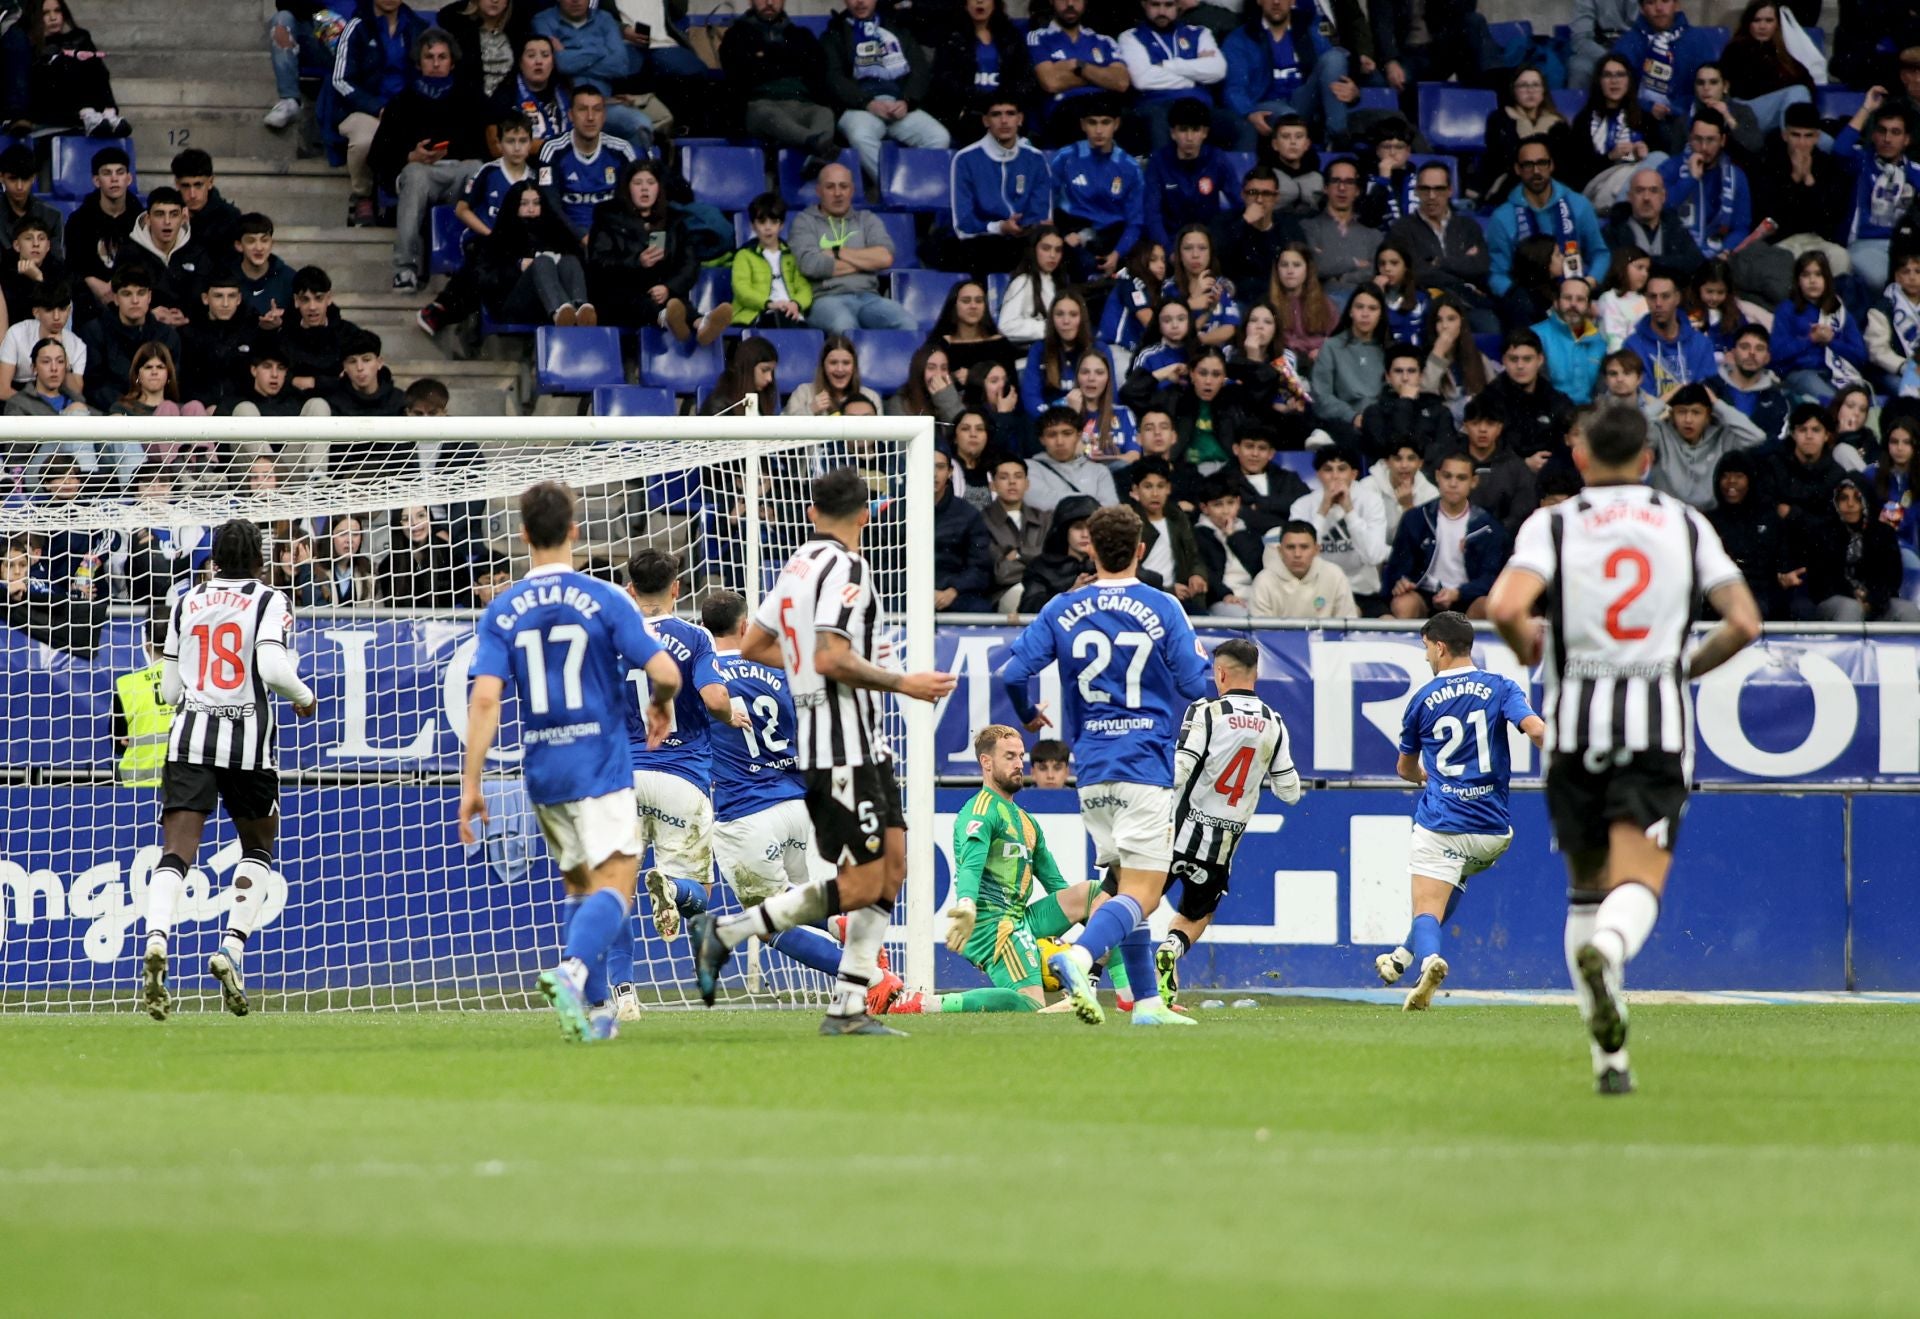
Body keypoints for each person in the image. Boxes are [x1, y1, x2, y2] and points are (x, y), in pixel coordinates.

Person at [1487, 402, 1762, 1095]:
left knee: (1585, 887)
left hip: (1575, 724)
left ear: (1579, 459)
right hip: (1654, 724)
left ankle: (1609, 1060)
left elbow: (1503, 607)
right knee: (1638, 878)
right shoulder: (1684, 523)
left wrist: (1535, 650)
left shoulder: (1552, 523)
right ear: (1649, 458)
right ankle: (1610, 953)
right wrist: (1684, 666)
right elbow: (1744, 621)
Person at [692, 468, 957, 1036]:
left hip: (859, 744)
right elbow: (833, 656)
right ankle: (729, 933)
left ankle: (848, 1005)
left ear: (813, 514)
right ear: (867, 515)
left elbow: (758, 644)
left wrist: (805, 675)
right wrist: (901, 681)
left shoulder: (795, 568)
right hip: (840, 747)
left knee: (893, 867)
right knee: (865, 882)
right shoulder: (847, 568)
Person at [459, 483, 678, 1042]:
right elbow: (667, 671)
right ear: (575, 531)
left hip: (544, 772)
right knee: (617, 886)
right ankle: (573, 973)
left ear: (525, 535)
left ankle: (591, 1015)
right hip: (600, 766)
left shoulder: (503, 608)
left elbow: (485, 698)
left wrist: (471, 784)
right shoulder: (607, 599)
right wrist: (659, 706)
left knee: (580, 888)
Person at [999, 503, 1212, 1027]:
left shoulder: (1061, 607)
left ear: (1089, 547)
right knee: (1144, 892)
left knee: (1121, 882)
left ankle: (1145, 1005)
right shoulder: (1162, 605)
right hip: (1145, 764)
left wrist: (1029, 717)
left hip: (1092, 768)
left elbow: (1012, 673)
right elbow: (1194, 686)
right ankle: (1078, 954)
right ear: (1141, 549)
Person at [137, 521, 319, 1021]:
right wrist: (303, 696)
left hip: (190, 736)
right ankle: (231, 948)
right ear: (260, 560)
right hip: (248, 743)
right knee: (257, 846)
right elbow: (273, 668)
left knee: (176, 851)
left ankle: (156, 938)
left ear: (213, 559)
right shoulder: (270, 599)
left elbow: (171, 691)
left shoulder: (185, 601)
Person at [1373, 611, 1546, 1008]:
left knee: (1427, 907)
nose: (1425, 657)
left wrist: (1427, 777)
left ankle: (1430, 961)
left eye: (1425, 648)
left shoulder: (1421, 700)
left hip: (1443, 824)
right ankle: (1401, 958)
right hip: (1492, 833)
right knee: (1451, 876)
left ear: (1440, 646)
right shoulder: (1501, 685)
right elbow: (1536, 730)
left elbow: (1404, 769)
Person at [891, 725, 1112, 1015]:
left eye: (1021, 756)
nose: (1019, 764)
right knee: (1031, 1005)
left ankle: (1110, 993)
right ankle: (929, 1003)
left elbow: (1058, 886)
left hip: (1020, 918)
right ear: (986, 763)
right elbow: (971, 866)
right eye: (1010, 756)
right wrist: (966, 904)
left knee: (1102, 896)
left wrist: (1084, 929)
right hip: (990, 923)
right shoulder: (981, 810)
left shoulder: (1026, 821)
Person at [696, 590, 854, 986]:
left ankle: (864, 976)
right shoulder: (781, 669)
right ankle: (840, 925)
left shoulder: (703, 674)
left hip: (746, 811)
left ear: (703, 628)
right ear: (745, 625)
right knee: (797, 899)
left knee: (768, 922)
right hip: (800, 807)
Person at [1151, 637, 1301, 1004]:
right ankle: (1172, 945)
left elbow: (1180, 770)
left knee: (1128, 901)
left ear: (1220, 673)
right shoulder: (1273, 722)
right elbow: (1290, 792)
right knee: (1197, 913)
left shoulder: (1206, 711)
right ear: (1256, 673)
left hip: (1172, 835)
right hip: (1220, 849)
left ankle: (1089, 975)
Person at [368, 28, 492, 292]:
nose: (436, 63)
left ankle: (476, 260)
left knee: (479, 169)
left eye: (442, 57)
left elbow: (485, 148)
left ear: (452, 61)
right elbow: (377, 155)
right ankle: (405, 269)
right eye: (429, 57)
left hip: (457, 174)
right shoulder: (402, 102)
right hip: (418, 175)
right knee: (414, 173)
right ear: (418, 62)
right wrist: (409, 155)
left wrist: (454, 151)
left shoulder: (471, 98)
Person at [820, 0, 949, 187]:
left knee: (939, 137)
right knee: (860, 136)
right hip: (859, 108)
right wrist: (868, 103)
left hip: (898, 106)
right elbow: (834, 78)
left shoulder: (896, 29)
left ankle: (916, 189)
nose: (860, 2)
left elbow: (919, 69)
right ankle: (895, 189)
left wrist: (907, 101)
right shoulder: (834, 34)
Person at [328, 0, 432, 227]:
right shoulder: (356, 26)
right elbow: (341, 79)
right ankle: (362, 194)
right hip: (363, 108)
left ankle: (398, 198)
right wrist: (377, 108)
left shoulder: (418, 27)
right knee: (367, 141)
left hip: (405, 109)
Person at [789, 164, 915, 334]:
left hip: (869, 298)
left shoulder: (867, 219)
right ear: (819, 191)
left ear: (852, 190)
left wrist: (837, 252)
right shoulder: (804, 221)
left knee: (907, 323)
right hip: (825, 299)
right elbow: (811, 265)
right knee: (845, 325)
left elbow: (885, 257)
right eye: (830, 187)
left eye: (843, 186)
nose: (838, 193)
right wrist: (865, 262)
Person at [1386, 451, 1510, 619]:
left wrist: (1458, 593)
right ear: (1437, 476)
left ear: (1473, 481)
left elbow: (1492, 578)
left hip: (1468, 597)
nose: (1453, 483)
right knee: (1403, 603)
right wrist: (1402, 582)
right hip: (1425, 594)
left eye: (1461, 478)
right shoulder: (1415, 518)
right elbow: (1396, 567)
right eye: (1447, 476)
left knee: (1488, 605)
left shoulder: (1488, 527)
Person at [1222, 0, 1359, 150]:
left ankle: (1337, 138)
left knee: (1334, 57)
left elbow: (1331, 69)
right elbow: (1234, 89)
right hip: (1268, 105)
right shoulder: (1241, 38)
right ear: (1259, 1)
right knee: (1288, 117)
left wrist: (1353, 92)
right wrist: (1248, 113)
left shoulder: (1308, 29)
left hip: (1305, 101)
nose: (1276, 2)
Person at [1489, 141, 1611, 303]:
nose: (1536, 171)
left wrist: (1587, 284)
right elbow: (1497, 274)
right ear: (1517, 169)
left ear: (1551, 165)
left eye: (1542, 163)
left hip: (1576, 297)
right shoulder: (1502, 217)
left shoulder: (1579, 205)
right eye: (1528, 165)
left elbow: (1600, 254)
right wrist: (1521, 300)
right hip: (1527, 303)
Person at [946, 94, 1054, 275]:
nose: (1004, 121)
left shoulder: (1035, 158)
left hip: (1024, 241)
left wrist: (1025, 226)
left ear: (1020, 119)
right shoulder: (965, 159)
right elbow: (963, 224)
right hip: (984, 242)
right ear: (986, 121)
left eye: (1010, 114)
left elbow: (1042, 213)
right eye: (996, 114)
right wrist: (999, 227)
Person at [719, 0, 835, 162]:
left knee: (824, 113)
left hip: (800, 104)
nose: (769, 2)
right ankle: (816, 145)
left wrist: (765, 58)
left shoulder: (802, 35)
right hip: (760, 106)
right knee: (767, 114)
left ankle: (814, 152)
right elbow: (739, 74)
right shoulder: (735, 35)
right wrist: (789, 60)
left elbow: (818, 72)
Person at [532, 0, 655, 150]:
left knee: (641, 124)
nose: (576, 1)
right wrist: (601, 50)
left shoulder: (605, 19)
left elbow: (620, 66)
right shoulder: (543, 20)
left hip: (602, 107)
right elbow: (560, 64)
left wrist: (568, 55)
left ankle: (631, 171)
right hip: (563, 109)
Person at [1835, 91, 1920, 299]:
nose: (1887, 139)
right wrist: (1867, 108)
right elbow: (1840, 149)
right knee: (1882, 278)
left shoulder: (1916, 172)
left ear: (1907, 139)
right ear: (1873, 134)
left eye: (1895, 132)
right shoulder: (1861, 162)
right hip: (1865, 244)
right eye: (1882, 131)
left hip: (1906, 248)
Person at [1117, 0, 1232, 153]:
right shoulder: (1131, 37)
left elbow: (1218, 70)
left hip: (1199, 106)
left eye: (1168, 5)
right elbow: (1142, 79)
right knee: (1159, 124)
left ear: (1179, 6)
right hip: (1157, 106)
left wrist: (1166, 66)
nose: (1162, 12)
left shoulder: (1199, 33)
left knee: (1241, 128)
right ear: (1144, 5)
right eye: (1155, 5)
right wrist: (1195, 74)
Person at [1051, 96, 1145, 281]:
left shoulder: (1130, 167)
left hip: (1113, 237)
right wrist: (1061, 235)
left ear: (1116, 124)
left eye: (1105, 122)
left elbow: (1136, 222)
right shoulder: (1065, 158)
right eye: (1092, 123)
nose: (1099, 130)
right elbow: (1046, 206)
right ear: (1083, 125)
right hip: (1074, 232)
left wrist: (1117, 253)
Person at [1289, 443, 1389, 606]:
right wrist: (1322, 511)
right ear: (1318, 474)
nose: (1335, 476)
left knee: (1388, 623)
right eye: (1328, 470)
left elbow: (1374, 556)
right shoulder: (1302, 505)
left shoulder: (1371, 501)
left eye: (1342, 469)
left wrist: (1349, 511)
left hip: (1362, 592)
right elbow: (1301, 556)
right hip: (1317, 591)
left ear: (1354, 474)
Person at [538, 84, 640, 241]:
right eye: (583, 109)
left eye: (597, 110)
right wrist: (582, 237)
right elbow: (551, 206)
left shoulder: (622, 151)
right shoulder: (553, 150)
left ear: (604, 115)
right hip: (569, 239)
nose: (590, 117)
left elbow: (633, 202)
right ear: (571, 115)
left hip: (612, 240)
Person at [1026, 0, 1134, 147]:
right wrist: (1099, 75)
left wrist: (1079, 66)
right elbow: (1050, 82)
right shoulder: (1038, 37)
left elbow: (1121, 82)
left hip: (1105, 104)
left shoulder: (1103, 41)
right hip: (1065, 110)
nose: (1070, 4)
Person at [77, 266, 183, 414]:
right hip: (114, 414)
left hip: (160, 411)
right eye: (127, 294)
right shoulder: (95, 332)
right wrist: (130, 407)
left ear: (149, 297)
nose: (135, 301)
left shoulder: (167, 335)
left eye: (141, 293)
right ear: (115, 298)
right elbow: (94, 387)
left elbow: (172, 383)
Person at [1646, 380, 1767, 509]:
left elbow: (1757, 437)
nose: (1688, 420)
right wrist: (1663, 401)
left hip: (1710, 515)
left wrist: (1718, 404)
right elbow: (1631, 429)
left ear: (1708, 415)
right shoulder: (1659, 432)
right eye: (1681, 412)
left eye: (1696, 412)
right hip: (1667, 515)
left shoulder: (1722, 436)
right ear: (1671, 414)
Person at [1142, 96, 1241, 252]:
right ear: (1173, 133)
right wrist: (1168, 253)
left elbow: (1239, 200)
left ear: (1205, 132)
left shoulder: (1217, 159)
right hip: (1171, 242)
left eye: (1195, 130)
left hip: (1209, 242)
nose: (1189, 138)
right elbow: (1152, 213)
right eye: (1183, 130)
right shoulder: (1158, 162)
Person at [1569, 55, 1668, 210]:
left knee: (1658, 158)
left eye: (1620, 75)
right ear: (1599, 81)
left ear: (1629, 80)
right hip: (1600, 186)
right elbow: (1578, 172)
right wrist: (1610, 157)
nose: (1614, 81)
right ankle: (1623, 210)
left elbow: (1660, 157)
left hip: (1638, 181)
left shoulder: (1645, 118)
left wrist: (1642, 154)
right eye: (1608, 75)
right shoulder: (1584, 121)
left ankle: (1625, 208)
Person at [1389, 161, 1494, 307]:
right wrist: (1461, 276)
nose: (1432, 196)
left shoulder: (1469, 226)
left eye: (1439, 189)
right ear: (1416, 191)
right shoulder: (1401, 228)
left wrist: (1438, 262)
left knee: (1491, 324)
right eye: (1425, 189)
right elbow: (1414, 273)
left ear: (1450, 190)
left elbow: (1480, 266)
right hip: (1425, 300)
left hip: (1469, 301)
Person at [1769, 250, 1868, 402]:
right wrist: (1810, 339)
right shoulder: (1787, 309)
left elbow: (1861, 357)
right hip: (1802, 374)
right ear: (1798, 280)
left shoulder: (1839, 311)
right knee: (1836, 404)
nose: (1812, 280)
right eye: (1806, 275)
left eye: (1818, 274)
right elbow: (1776, 354)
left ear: (1827, 279)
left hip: (1838, 374)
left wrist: (1832, 340)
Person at [1655, 108, 1751, 264]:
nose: (1704, 147)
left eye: (1711, 140)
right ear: (1690, 138)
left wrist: (1726, 249)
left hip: (1718, 255)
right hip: (1677, 253)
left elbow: (1741, 227)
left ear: (1722, 140)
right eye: (1698, 139)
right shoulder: (1671, 167)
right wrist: (1689, 180)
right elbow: (1659, 207)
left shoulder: (1736, 176)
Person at [25, 0, 129, 136]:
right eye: (46, 13)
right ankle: (87, 114)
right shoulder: (28, 44)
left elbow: (100, 72)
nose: (53, 17)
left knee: (90, 59)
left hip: (86, 102)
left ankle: (108, 113)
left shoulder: (79, 37)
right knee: (68, 61)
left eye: (57, 11)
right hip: (51, 106)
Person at [1473, 67, 1572, 206]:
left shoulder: (1558, 124)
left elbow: (1563, 166)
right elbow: (1498, 161)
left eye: (1535, 85)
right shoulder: (1499, 119)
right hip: (1510, 184)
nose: (1530, 90)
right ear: (1514, 90)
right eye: (1524, 85)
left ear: (1543, 90)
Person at [1611, 0, 1716, 124]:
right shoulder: (1627, 44)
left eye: (1665, 1)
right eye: (1651, 2)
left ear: (1676, 4)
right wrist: (1646, 106)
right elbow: (1617, 91)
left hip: (1689, 121)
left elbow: (1711, 87)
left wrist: (1677, 108)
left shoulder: (1698, 40)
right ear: (1642, 8)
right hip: (1640, 120)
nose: (1659, 8)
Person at [1308, 285, 1388, 442]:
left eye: (1372, 308)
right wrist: (1352, 416)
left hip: (1380, 423)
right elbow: (1321, 396)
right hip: (1344, 423)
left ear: (1381, 314)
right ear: (1350, 311)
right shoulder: (1331, 346)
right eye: (1360, 307)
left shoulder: (1388, 351)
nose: (1365, 314)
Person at [1626, 270, 1717, 396]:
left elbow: (1707, 391)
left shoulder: (1701, 343)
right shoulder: (1633, 345)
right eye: (1652, 297)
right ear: (1646, 299)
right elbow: (1642, 395)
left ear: (1677, 298)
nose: (1658, 303)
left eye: (1665, 296)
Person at [730, 192, 810, 331]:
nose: (768, 227)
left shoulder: (792, 256)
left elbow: (804, 287)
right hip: (757, 314)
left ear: (782, 225)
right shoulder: (744, 256)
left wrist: (796, 303)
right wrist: (769, 304)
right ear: (753, 226)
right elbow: (742, 290)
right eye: (762, 222)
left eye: (774, 222)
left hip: (791, 313)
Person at [1301, 157, 1380, 293]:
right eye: (1336, 181)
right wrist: (1354, 263)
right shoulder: (1308, 227)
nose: (1342, 188)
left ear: (1357, 191)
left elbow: (1375, 270)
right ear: (1325, 188)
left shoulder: (1373, 235)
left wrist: (1341, 278)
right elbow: (1316, 266)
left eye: (1349, 182)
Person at [1250, 517, 1358, 617]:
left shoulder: (1334, 575)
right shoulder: (1264, 581)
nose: (1297, 554)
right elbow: (1259, 634)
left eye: (1304, 547)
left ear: (1316, 549)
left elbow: (1348, 626)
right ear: (1280, 551)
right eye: (1290, 547)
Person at [932, 449, 997, 613]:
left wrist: (954, 590)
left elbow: (980, 567)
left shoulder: (968, 514)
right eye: (927, 466)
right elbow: (884, 565)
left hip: (956, 593)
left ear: (950, 472)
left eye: (939, 467)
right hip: (906, 594)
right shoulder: (895, 513)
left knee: (981, 610)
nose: (933, 473)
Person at [983, 455, 1049, 611]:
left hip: (1044, 590)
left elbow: (1051, 560)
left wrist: (1019, 554)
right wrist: (1035, 560)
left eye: (1018, 477)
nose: (1012, 482)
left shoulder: (1045, 519)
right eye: (1004, 477)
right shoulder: (981, 521)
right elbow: (1001, 573)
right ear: (993, 485)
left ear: (1027, 484)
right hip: (1003, 595)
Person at [1192, 477, 1266, 616]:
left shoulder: (1250, 532)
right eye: (1218, 505)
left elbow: (1258, 566)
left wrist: (1234, 537)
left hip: (1257, 596)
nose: (1226, 511)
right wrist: (1225, 594)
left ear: (1238, 502)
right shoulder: (1198, 535)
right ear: (1204, 508)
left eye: (1230, 503)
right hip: (1222, 599)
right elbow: (1207, 573)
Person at [485, 33, 569, 154]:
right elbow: (496, 148)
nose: (539, 61)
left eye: (545, 55)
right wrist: (549, 146)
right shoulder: (504, 96)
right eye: (531, 55)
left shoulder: (565, 90)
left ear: (553, 62)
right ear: (520, 62)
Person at [1535, 276, 1607, 403]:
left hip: (1587, 415)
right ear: (1556, 302)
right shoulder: (1536, 335)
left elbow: (1601, 392)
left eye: (1580, 299)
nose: (1573, 304)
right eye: (1567, 298)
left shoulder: (1599, 342)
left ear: (1589, 306)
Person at [1718, 322, 1791, 440]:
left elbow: (1776, 446)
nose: (1752, 353)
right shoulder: (1710, 389)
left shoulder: (1777, 400)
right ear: (1733, 353)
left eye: (1759, 348)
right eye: (1745, 347)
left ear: (1767, 358)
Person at [784, 333, 881, 415]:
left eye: (846, 363)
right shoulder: (804, 393)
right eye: (833, 363)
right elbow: (784, 431)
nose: (840, 369)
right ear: (823, 366)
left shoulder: (870, 397)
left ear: (854, 367)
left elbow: (880, 434)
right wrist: (810, 410)